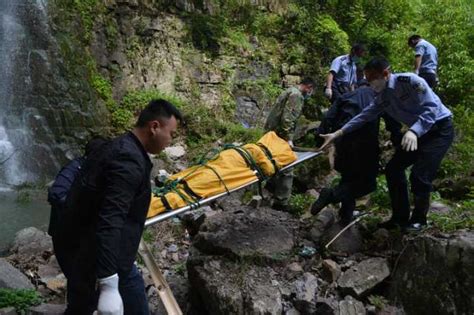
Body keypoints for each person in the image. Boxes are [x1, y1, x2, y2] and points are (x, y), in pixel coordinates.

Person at [57, 99, 181, 314]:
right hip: (104, 257)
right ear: (154, 127)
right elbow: (110, 220)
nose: (170, 141)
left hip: (82, 248)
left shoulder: (117, 146)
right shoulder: (128, 161)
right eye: (171, 133)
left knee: (80, 306)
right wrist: (108, 283)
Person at [319, 57, 453, 232]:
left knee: (420, 174)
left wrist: (414, 131)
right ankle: (399, 217)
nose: (369, 82)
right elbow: (364, 115)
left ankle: (419, 220)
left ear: (385, 73)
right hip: (417, 133)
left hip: (438, 130)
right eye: (367, 79)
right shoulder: (383, 96)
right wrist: (338, 133)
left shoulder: (411, 81)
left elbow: (431, 107)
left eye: (372, 78)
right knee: (393, 169)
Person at [311, 82, 402, 225]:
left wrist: (319, 140)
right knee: (368, 184)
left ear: (355, 86)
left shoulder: (346, 96)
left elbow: (328, 118)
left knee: (348, 179)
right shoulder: (378, 97)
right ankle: (331, 195)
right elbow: (392, 121)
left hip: (343, 144)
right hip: (366, 146)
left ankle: (345, 216)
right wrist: (397, 138)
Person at [47, 136, 108, 283]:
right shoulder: (75, 168)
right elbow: (56, 193)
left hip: (83, 236)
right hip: (65, 235)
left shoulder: (98, 171)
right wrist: (84, 208)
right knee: (79, 282)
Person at [264, 77, 315, 210]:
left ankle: (269, 187)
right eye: (311, 90)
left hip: (271, 133)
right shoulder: (296, 95)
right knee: (288, 165)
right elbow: (287, 119)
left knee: (272, 161)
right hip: (279, 135)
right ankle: (281, 202)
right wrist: (289, 138)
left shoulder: (289, 91)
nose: (310, 93)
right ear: (308, 87)